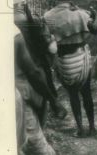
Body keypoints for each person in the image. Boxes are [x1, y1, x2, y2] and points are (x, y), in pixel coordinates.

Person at [44, 0, 97, 137]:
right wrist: (95, 16)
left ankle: (80, 129)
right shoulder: (80, 14)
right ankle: (93, 128)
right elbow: (94, 29)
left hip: (64, 62)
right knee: (86, 93)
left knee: (73, 95)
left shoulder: (47, 17)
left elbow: (47, 40)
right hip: (82, 58)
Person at [14, 24, 67, 155]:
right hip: (19, 91)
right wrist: (54, 101)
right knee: (36, 144)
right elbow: (33, 71)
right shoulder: (13, 32)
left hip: (23, 88)